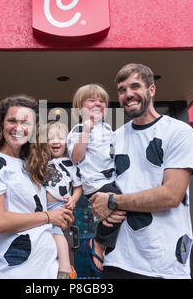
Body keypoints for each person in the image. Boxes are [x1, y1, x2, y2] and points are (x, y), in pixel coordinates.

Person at [90, 63, 193, 279]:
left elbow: (171, 195)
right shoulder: (114, 138)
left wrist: (112, 201)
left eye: (135, 86)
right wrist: (97, 204)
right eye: (122, 90)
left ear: (151, 90)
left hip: (164, 261)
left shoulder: (177, 131)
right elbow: (100, 184)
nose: (128, 94)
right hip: (119, 258)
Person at [0, 95, 74, 279]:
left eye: (25, 122)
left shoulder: (32, 164)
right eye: (12, 121)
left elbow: (47, 209)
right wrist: (49, 217)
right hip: (16, 272)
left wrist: (63, 213)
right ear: (2, 124)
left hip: (50, 269)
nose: (18, 128)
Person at [66, 83, 123, 274]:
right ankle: (98, 242)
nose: (97, 103)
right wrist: (87, 131)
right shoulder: (78, 129)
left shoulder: (108, 128)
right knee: (117, 202)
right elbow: (76, 157)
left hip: (112, 179)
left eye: (102, 101)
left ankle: (110, 249)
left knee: (123, 208)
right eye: (91, 100)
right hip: (95, 183)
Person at [44, 121, 82, 279]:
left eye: (60, 138)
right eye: (51, 138)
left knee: (57, 232)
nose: (55, 141)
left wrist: (73, 199)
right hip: (42, 207)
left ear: (67, 142)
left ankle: (66, 268)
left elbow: (79, 187)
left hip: (59, 205)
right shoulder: (42, 163)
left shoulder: (71, 164)